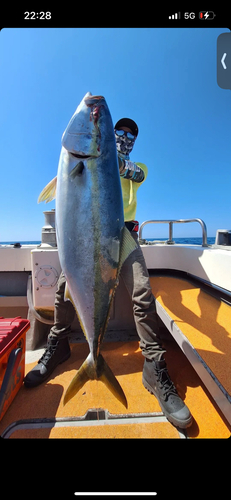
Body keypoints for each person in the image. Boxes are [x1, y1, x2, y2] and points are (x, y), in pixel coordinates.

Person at [24, 118, 192, 429]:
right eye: (121, 132)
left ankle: (154, 368)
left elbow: (133, 172)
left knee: (142, 290)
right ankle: (59, 345)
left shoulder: (136, 167)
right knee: (63, 291)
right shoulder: (89, 159)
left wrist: (103, 159)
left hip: (122, 234)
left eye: (131, 134)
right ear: (110, 135)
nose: (125, 136)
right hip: (90, 232)